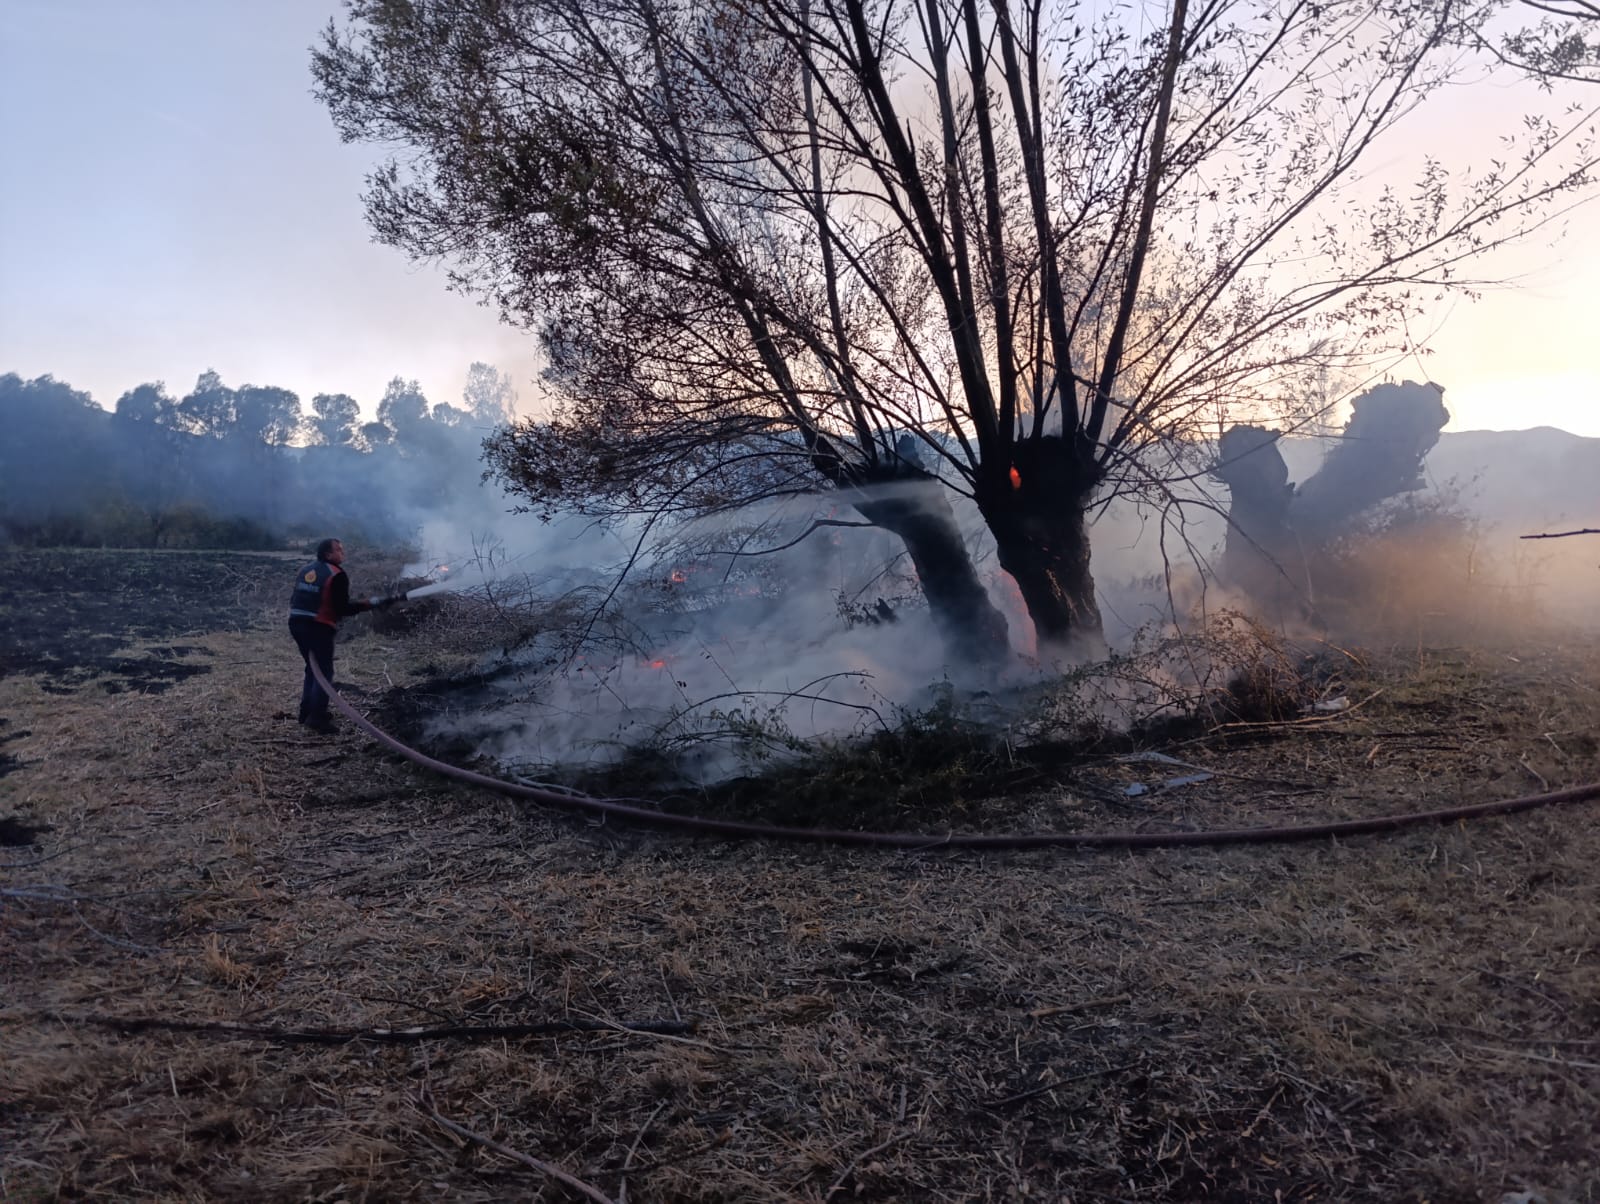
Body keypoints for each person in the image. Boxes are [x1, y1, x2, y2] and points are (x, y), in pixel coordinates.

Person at [288, 538, 390, 732]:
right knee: (324, 672)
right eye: (339, 550)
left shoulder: (306, 569)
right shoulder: (337, 575)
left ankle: (306, 711)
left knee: (312, 668)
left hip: (296, 623)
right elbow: (342, 608)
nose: (343, 553)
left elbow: (294, 599)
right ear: (328, 554)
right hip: (318, 627)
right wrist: (368, 604)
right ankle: (317, 717)